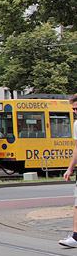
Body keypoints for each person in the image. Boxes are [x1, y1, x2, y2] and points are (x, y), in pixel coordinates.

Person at [59, 93, 77, 248]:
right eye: (73, 109)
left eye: (76, 108)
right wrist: (70, 168)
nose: (75, 111)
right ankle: (76, 237)